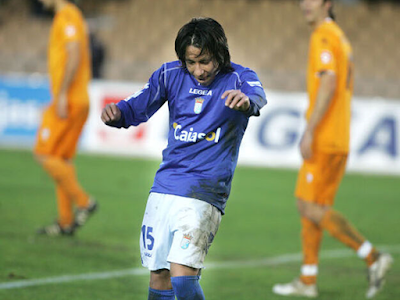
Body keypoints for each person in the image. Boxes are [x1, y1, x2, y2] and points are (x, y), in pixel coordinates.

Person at [101, 17, 267, 300]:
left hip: (204, 190)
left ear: (220, 52)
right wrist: (117, 114)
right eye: (191, 62)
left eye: (204, 61)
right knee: (159, 275)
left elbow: (257, 96)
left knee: (183, 278)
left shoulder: (240, 77)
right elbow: (135, 107)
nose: (198, 70)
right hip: (165, 186)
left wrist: (247, 102)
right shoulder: (169, 75)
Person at [272, 0, 393, 298]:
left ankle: (373, 257)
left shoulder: (324, 36)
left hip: (326, 137)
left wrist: (310, 131)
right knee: (308, 206)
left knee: (311, 207)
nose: (304, 4)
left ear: (328, 3)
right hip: (337, 137)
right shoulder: (338, 36)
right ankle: (308, 280)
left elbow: (328, 81)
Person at [34, 0, 97, 236]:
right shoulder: (74, 15)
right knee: (61, 159)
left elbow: (73, 52)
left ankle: (84, 202)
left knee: (43, 154)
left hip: (69, 98)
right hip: (77, 98)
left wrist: (60, 95)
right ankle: (66, 222)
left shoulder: (67, 15)